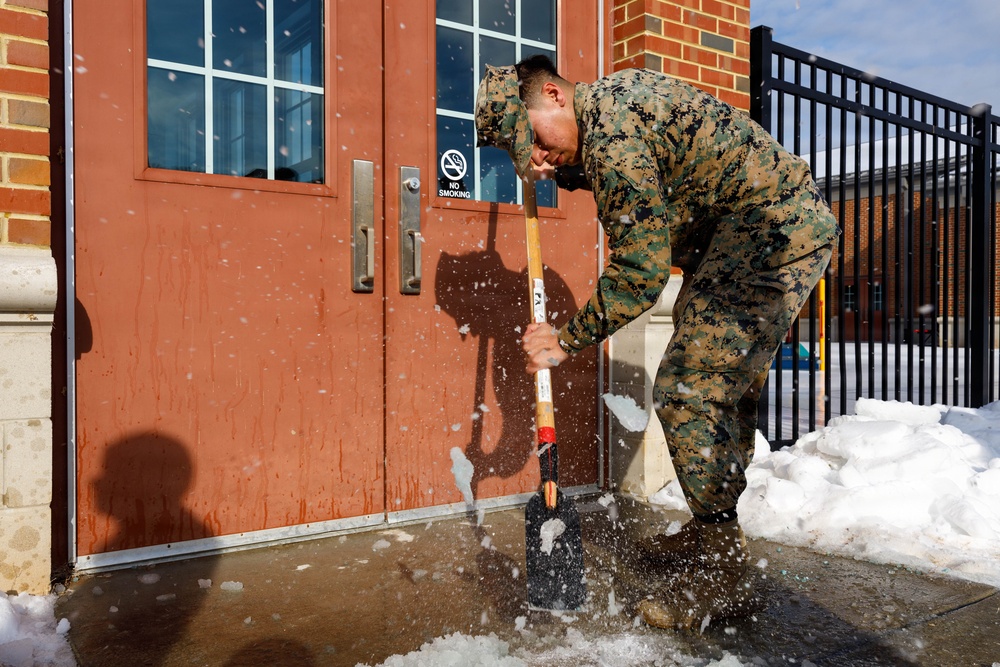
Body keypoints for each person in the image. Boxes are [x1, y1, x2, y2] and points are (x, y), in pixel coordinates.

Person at [475, 55, 840, 630]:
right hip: (736, 233)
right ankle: (710, 527)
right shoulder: (603, 116)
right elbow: (603, 171)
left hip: (773, 229)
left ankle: (724, 574)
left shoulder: (615, 135)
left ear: (554, 94)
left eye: (535, 144)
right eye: (527, 158)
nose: (539, 164)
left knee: (690, 387)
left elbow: (641, 274)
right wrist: (555, 163)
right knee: (713, 386)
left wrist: (563, 342)